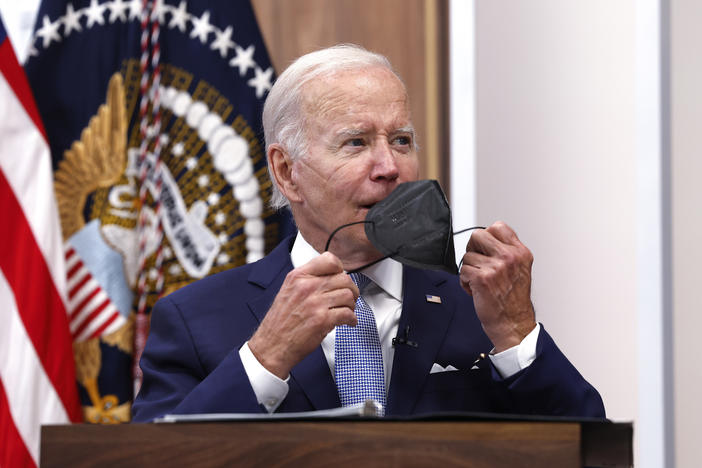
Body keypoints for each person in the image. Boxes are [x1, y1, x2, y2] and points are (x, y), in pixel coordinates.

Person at [132, 44, 604, 422]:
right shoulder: (194, 318)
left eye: (401, 140)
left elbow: (593, 452)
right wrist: (266, 356)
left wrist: (517, 334)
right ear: (286, 171)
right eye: (355, 142)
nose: (389, 167)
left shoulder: (481, 306)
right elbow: (149, 463)